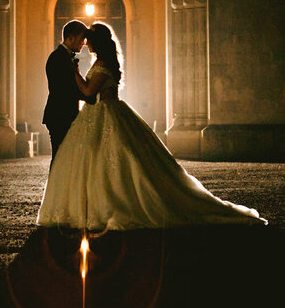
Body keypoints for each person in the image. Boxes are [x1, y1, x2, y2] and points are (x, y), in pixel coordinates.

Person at [37, 22, 266, 230]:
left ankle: (105, 204)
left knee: (111, 159)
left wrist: (75, 71)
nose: (85, 45)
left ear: (97, 43)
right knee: (83, 160)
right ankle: (81, 203)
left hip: (103, 112)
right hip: (84, 114)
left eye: (88, 41)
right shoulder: (90, 61)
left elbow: (88, 91)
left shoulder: (103, 63)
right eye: (82, 40)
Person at [42, 19, 92, 167]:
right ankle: (55, 188)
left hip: (65, 113)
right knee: (59, 157)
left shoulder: (66, 56)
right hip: (59, 114)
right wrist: (90, 94)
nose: (83, 43)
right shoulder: (58, 58)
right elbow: (66, 89)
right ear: (70, 38)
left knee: (65, 156)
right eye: (81, 39)